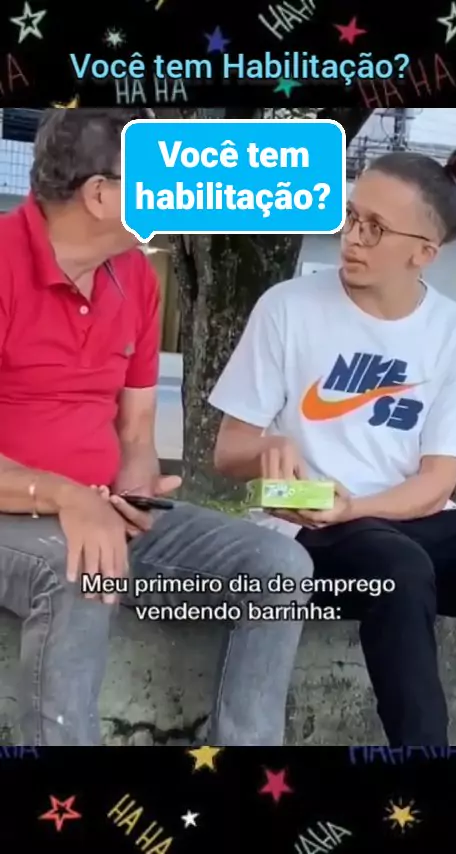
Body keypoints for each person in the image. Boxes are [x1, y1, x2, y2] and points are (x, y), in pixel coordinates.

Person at [0, 108, 315, 747]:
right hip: (21, 514)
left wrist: (134, 492)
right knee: (83, 569)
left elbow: (137, 430)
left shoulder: (136, 276)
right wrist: (66, 497)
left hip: (100, 508)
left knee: (278, 564)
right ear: (100, 194)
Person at [210, 146, 456, 747]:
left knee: (405, 557)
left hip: (401, 520)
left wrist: (354, 506)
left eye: (375, 228)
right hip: (308, 533)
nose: (352, 238)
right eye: (351, 217)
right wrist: (271, 449)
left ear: (424, 253)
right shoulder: (287, 307)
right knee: (398, 569)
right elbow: (229, 451)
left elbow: (436, 485)